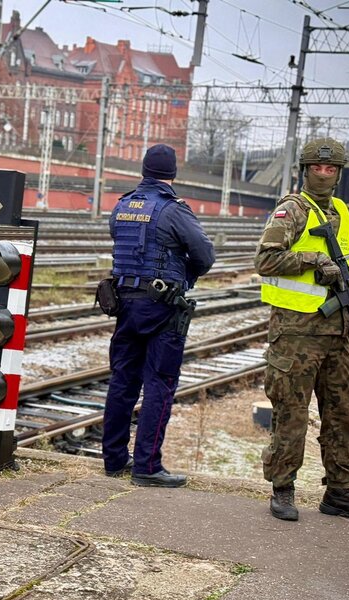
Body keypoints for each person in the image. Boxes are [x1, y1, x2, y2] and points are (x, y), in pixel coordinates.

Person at [255, 137, 349, 523]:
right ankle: (283, 489)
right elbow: (265, 258)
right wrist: (314, 260)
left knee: (343, 415)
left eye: (330, 169)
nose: (324, 174)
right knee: (290, 414)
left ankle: (340, 493)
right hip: (295, 337)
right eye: (317, 168)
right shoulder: (291, 210)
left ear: (339, 173)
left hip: (339, 337)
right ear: (305, 170)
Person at [101, 143, 216, 487]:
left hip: (124, 304)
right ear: (172, 173)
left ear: (144, 170)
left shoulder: (122, 206)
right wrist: (186, 276)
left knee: (122, 382)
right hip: (162, 308)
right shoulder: (173, 210)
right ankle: (147, 466)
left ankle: (114, 459)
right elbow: (205, 255)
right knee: (159, 384)